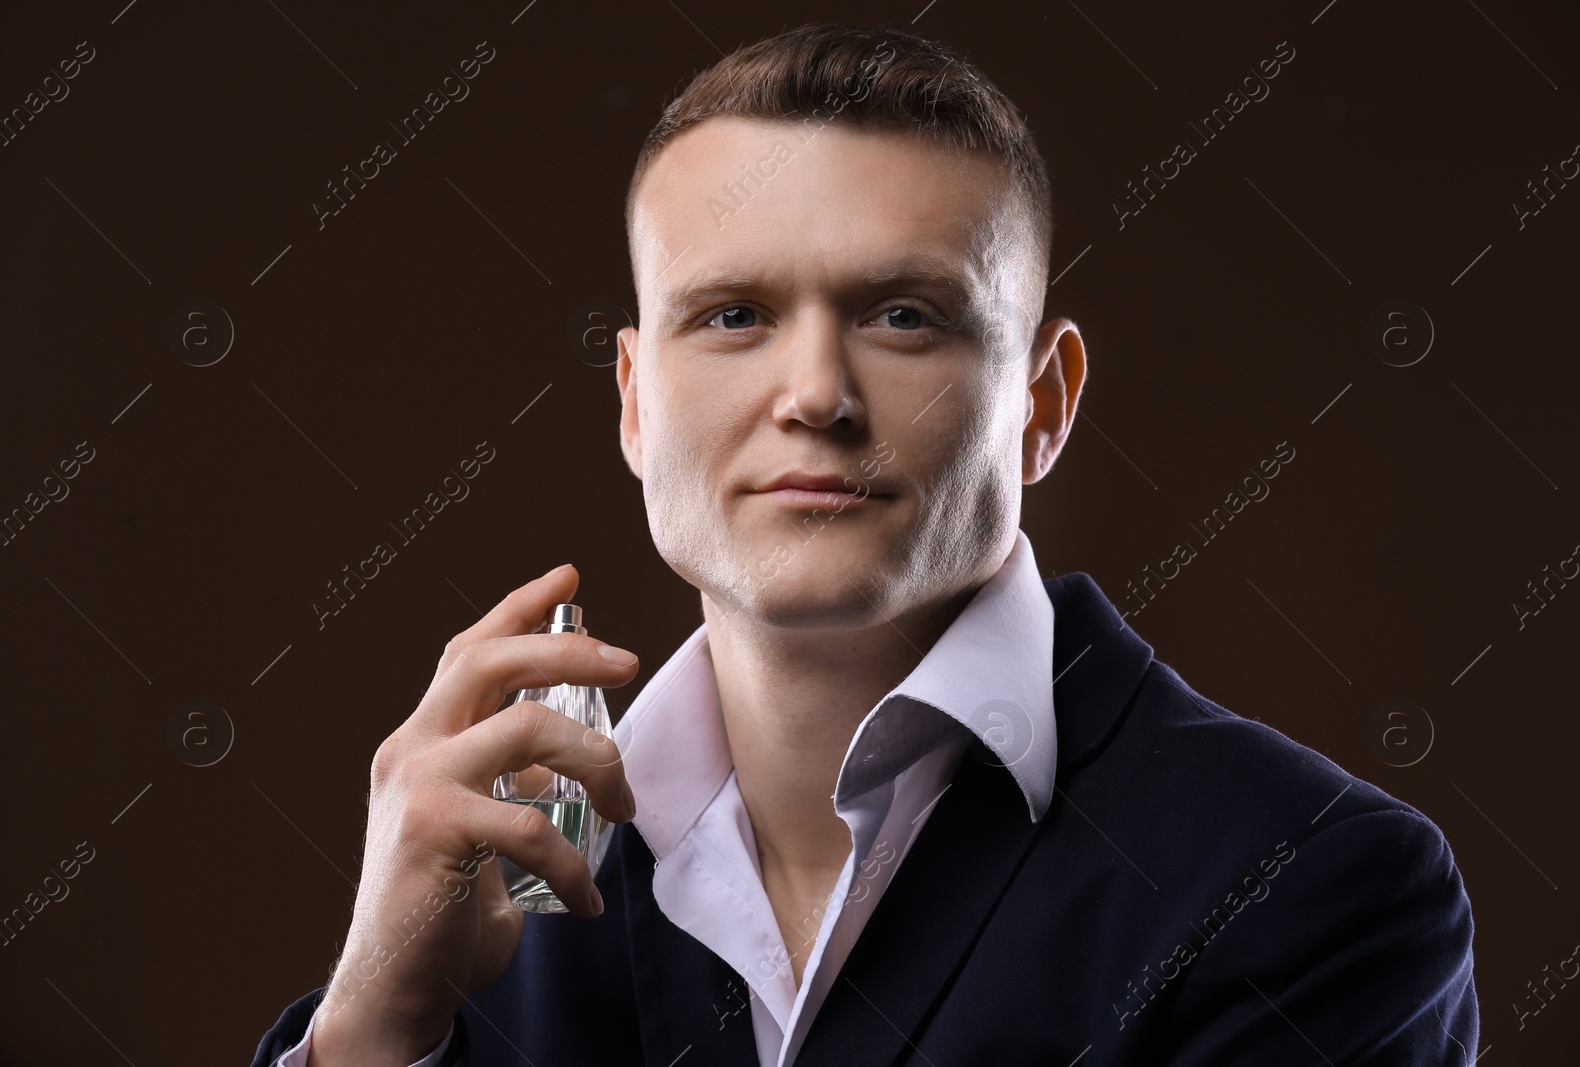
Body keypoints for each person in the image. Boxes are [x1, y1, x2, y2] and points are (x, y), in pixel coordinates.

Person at [253, 22, 1478, 1067]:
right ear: (634, 401)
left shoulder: (1312, 882)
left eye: (903, 316)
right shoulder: (501, 891)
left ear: (1042, 405)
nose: (814, 394)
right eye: (732, 315)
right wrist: (372, 1024)